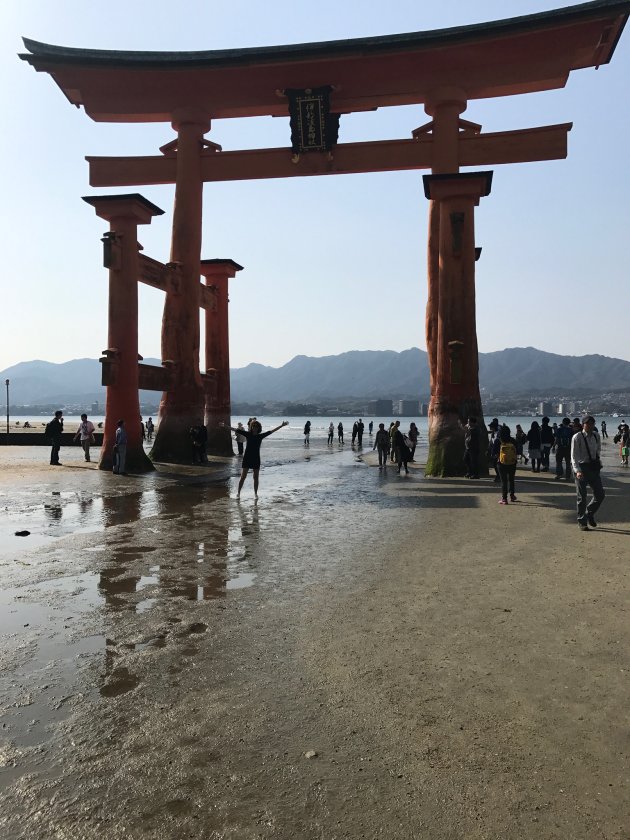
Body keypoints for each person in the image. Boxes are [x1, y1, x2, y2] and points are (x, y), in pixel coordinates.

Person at [221, 419, 288, 499]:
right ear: (251, 427)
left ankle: (255, 494)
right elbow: (235, 430)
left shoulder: (260, 436)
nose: (254, 428)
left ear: (258, 428)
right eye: (253, 426)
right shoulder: (248, 434)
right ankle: (238, 493)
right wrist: (225, 426)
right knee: (243, 476)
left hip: (256, 458)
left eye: (256, 426)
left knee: (256, 477)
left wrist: (281, 425)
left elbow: (271, 431)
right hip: (247, 457)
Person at [571, 415, 605, 531]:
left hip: (593, 468)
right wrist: (577, 470)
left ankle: (589, 513)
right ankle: (582, 521)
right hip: (581, 467)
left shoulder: (596, 435)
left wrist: (598, 462)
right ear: (583, 424)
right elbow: (574, 455)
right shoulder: (577, 437)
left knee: (600, 494)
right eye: (588, 423)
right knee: (582, 496)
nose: (590, 426)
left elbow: (598, 450)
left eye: (592, 423)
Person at [494, 425, 518, 504]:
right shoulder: (513, 440)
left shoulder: (498, 441)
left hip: (501, 463)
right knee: (511, 479)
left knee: (504, 481)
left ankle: (504, 499)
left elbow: (494, 453)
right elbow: (517, 451)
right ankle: (512, 496)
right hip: (512, 463)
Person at [488, 418, 500, 483]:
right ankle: (498, 476)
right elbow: (491, 442)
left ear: (493, 427)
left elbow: (498, 444)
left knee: (496, 464)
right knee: (495, 464)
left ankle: (499, 476)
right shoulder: (493, 433)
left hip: (497, 452)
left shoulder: (498, 434)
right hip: (494, 451)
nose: (489, 427)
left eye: (490, 426)